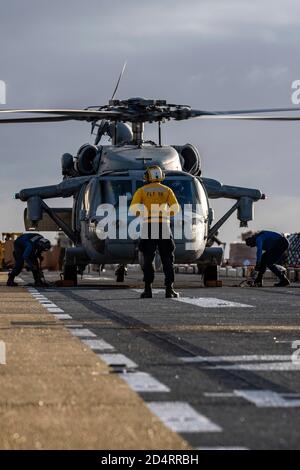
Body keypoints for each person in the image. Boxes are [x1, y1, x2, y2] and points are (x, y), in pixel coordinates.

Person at [129, 165, 180, 298]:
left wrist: (145, 212)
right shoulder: (167, 190)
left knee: (148, 258)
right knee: (167, 258)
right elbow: (175, 208)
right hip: (164, 225)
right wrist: (165, 213)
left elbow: (133, 209)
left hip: (148, 225)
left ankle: (148, 290)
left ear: (148, 176)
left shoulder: (142, 190)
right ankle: (169, 289)